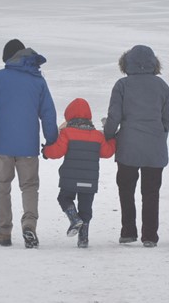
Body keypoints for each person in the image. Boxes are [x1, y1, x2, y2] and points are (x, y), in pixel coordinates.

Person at [0, 39, 58, 249]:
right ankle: (29, 225)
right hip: (28, 147)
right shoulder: (38, 81)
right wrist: (51, 142)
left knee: (2, 186)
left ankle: (4, 233)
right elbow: (48, 114)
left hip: (1, 146)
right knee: (29, 187)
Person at [104, 45, 169, 248]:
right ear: (154, 64)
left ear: (126, 63)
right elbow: (166, 117)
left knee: (126, 190)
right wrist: (161, 136)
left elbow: (114, 116)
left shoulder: (122, 85)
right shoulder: (161, 86)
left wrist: (108, 135)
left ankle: (128, 232)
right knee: (151, 192)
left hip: (128, 148)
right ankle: (150, 236)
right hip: (154, 148)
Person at [42, 98, 116, 248]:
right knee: (86, 208)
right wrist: (113, 139)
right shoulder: (97, 136)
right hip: (89, 180)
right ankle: (83, 238)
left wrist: (45, 151)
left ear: (69, 115)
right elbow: (107, 152)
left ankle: (74, 218)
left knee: (64, 198)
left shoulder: (67, 133)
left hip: (70, 179)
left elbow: (56, 152)